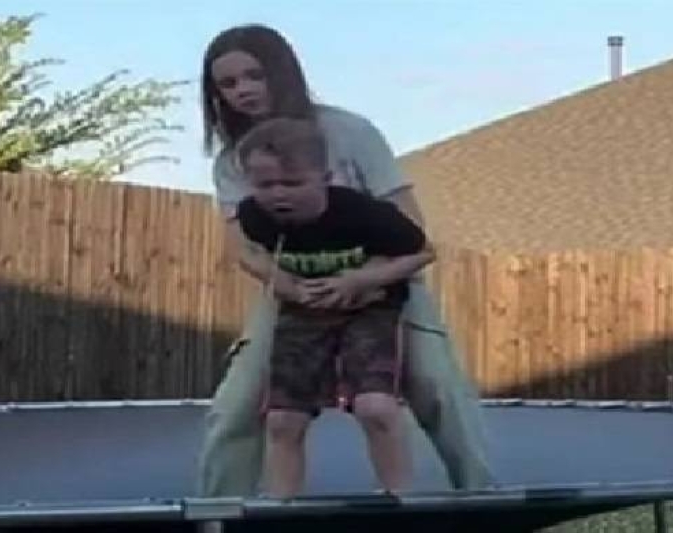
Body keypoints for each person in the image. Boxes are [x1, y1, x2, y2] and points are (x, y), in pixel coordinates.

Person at [195, 23, 495, 497]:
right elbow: (243, 248)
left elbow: (412, 229)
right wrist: (290, 287)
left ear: (282, 73)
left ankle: (482, 497)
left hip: (382, 282)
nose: (243, 91)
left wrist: (362, 280)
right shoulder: (233, 161)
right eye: (228, 84)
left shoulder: (349, 132)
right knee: (236, 406)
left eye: (254, 76)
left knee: (436, 384)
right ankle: (218, 514)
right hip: (298, 287)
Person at [233, 116, 430, 497]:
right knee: (282, 420)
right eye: (265, 185)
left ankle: (400, 499)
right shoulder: (255, 217)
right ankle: (281, 505)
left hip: (369, 309)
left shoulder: (365, 214)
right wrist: (287, 285)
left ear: (325, 178)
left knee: (375, 407)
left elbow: (423, 253)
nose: (278, 195)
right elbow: (251, 255)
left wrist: (359, 281)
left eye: (293, 184)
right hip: (303, 312)